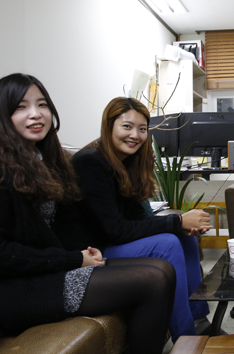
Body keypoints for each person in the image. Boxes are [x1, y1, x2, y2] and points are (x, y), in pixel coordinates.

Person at [0, 74, 176, 354]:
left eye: (42, 105)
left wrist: (79, 254)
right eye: (21, 107)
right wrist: (73, 259)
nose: (36, 114)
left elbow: (54, 232)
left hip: (46, 272)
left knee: (162, 269)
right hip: (12, 289)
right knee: (152, 280)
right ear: (1, 115)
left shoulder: (40, 160)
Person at [54, 97, 214, 341]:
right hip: (91, 252)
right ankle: (187, 340)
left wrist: (180, 226)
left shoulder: (126, 163)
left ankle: (199, 320)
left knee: (184, 238)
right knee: (168, 244)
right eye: (127, 126)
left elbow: (138, 218)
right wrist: (178, 222)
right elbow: (115, 229)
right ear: (109, 127)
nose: (135, 135)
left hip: (110, 243)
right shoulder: (90, 163)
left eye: (142, 129)